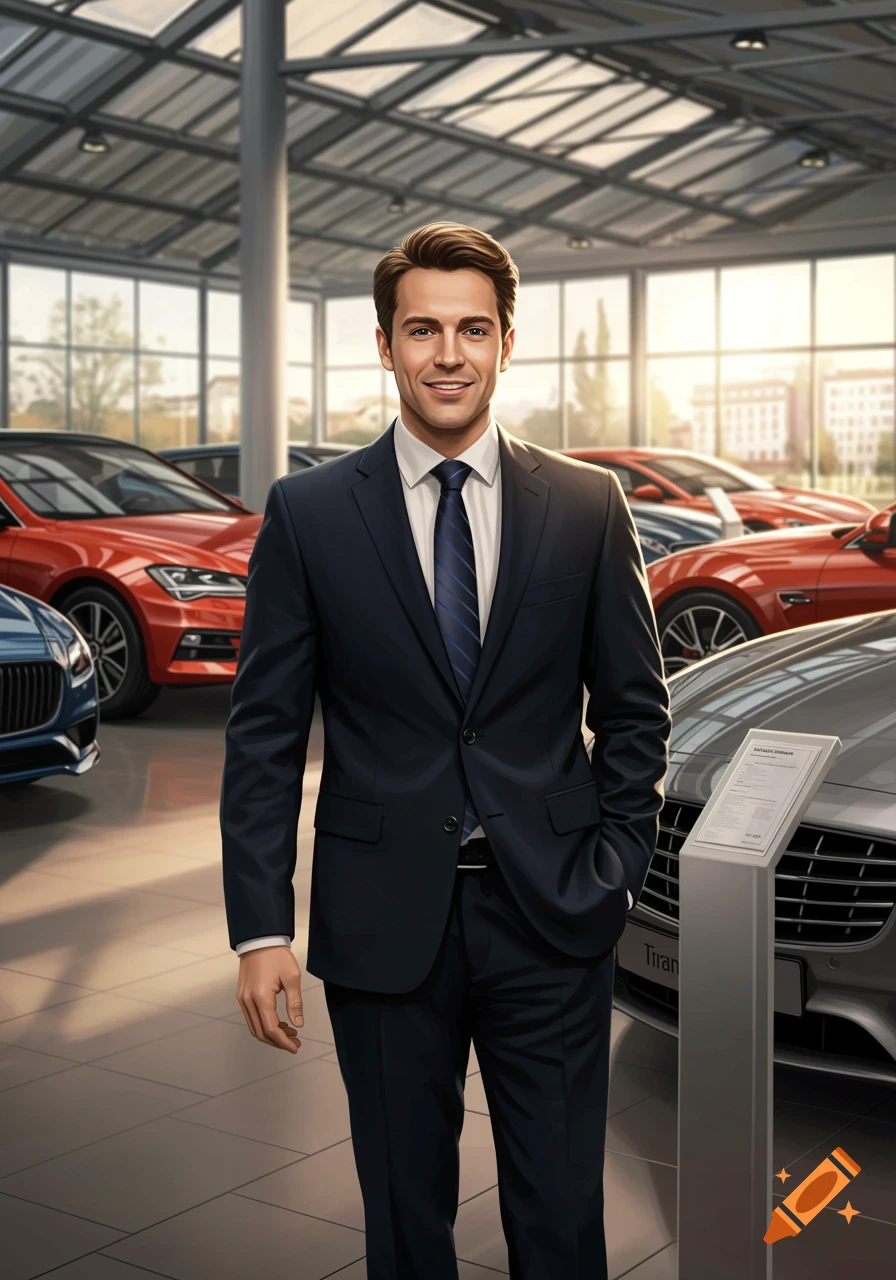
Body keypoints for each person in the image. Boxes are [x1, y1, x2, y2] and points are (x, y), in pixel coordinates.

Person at [221, 221, 671, 1280]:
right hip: (380, 922)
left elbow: (635, 710)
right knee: (404, 1222)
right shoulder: (310, 512)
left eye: (472, 328)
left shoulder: (584, 503)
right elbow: (264, 733)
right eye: (421, 328)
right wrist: (256, 928)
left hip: (551, 912)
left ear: (506, 342)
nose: (448, 352)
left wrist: (611, 869)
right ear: (384, 345)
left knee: (562, 1222)